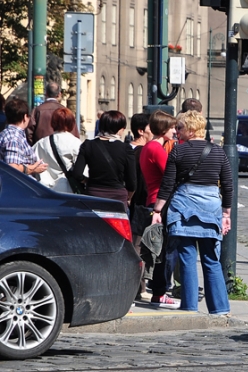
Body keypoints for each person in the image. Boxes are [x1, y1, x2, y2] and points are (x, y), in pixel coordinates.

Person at [151, 111, 233, 315]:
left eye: (179, 127)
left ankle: (190, 307)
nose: (177, 131)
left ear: (191, 129)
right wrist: (226, 214)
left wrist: (157, 210)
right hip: (210, 208)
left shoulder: (178, 152)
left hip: (183, 208)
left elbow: (167, 184)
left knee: (187, 258)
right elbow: (228, 185)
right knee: (211, 259)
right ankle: (220, 308)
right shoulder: (218, 152)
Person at [140, 109, 180, 308]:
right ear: (163, 128)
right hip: (161, 202)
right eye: (172, 127)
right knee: (164, 250)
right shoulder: (156, 149)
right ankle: (160, 291)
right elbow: (171, 174)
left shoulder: (148, 147)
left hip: (153, 198)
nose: (174, 131)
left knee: (159, 249)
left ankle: (158, 291)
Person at [71, 110, 136, 210]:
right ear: (120, 129)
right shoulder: (126, 149)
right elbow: (132, 181)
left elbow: (77, 174)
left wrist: (87, 180)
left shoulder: (88, 145)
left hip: (94, 195)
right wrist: (129, 196)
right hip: (118, 198)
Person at [32, 107, 82, 193]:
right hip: (69, 190)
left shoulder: (41, 143)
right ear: (71, 123)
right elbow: (82, 170)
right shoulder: (75, 143)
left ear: (53, 122)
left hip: (45, 189)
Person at [0, 97, 48, 179]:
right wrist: (32, 169)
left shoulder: (7, 133)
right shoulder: (14, 138)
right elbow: (12, 167)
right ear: (25, 117)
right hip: (18, 188)